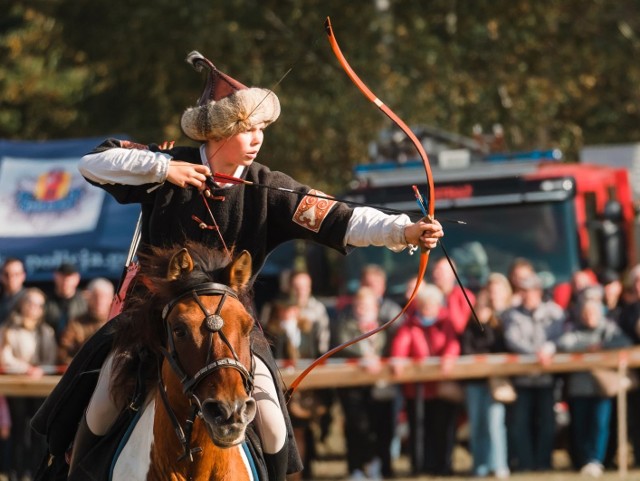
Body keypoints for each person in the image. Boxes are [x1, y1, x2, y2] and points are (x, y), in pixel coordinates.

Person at [34, 50, 444, 480]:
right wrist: (163, 169)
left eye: (261, 128)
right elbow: (93, 163)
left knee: (271, 426)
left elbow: (340, 217)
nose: (257, 138)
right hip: (151, 322)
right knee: (100, 407)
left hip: (232, 329)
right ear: (219, 130)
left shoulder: (269, 189)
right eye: (247, 128)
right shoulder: (168, 166)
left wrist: (403, 231)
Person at [556, 296, 632, 477]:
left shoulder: (608, 329)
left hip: (602, 388)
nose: (590, 316)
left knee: (600, 425)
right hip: (579, 388)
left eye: (593, 312)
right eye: (586, 313)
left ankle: (595, 460)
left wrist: (602, 346)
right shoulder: (574, 330)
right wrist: (588, 347)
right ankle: (582, 461)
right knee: (580, 426)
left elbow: (625, 343)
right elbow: (563, 344)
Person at [390, 282, 461, 476]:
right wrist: (398, 361)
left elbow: (452, 344)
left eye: (432, 304)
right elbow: (401, 345)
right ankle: (419, 467)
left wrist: (449, 358)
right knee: (419, 430)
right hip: (417, 390)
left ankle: (443, 466)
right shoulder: (410, 324)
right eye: (425, 304)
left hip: (441, 387)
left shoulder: (446, 322)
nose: (428, 308)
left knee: (443, 429)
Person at [501, 272, 565, 472]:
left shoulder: (554, 312)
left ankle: (544, 463)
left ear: (538, 291)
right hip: (523, 379)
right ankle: (526, 464)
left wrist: (549, 348)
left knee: (547, 423)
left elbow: (561, 335)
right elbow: (512, 339)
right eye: (522, 291)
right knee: (521, 424)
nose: (525, 295)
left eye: (528, 291)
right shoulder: (512, 314)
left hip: (546, 379)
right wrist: (535, 354)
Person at [332, 286, 395, 480]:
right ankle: (356, 468)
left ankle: (379, 466)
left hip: (379, 387)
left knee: (381, 428)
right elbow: (343, 345)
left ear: (375, 307)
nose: (362, 309)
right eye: (358, 305)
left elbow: (391, 348)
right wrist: (365, 358)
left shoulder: (385, 327)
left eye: (366, 305)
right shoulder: (345, 325)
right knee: (356, 427)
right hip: (352, 388)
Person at [0, 288, 57, 481]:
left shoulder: (46, 331)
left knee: (38, 431)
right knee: (18, 430)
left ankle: (34, 472)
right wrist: (26, 368)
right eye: (30, 303)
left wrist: (40, 369)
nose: (34, 308)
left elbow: (51, 359)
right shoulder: (8, 329)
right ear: (22, 305)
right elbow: (5, 357)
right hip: (16, 387)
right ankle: (15, 471)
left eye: (38, 305)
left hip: (40, 387)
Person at [460, 281, 511, 479]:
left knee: (495, 425)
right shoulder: (468, 329)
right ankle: (479, 466)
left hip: (494, 383)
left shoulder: (497, 328)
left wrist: (488, 327)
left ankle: (499, 465)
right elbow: (466, 351)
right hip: (474, 384)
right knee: (477, 425)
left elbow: (499, 349)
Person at [57, 278, 114, 364]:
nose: (99, 301)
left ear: (112, 299)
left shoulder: (118, 324)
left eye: (104, 297)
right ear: (88, 298)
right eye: (95, 296)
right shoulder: (75, 324)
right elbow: (62, 353)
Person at [44, 262, 88, 342]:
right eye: (62, 276)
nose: (66, 280)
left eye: (69, 277)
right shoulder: (46, 301)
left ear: (77, 278)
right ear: (55, 276)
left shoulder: (85, 302)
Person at [431, 257, 475, 335]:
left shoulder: (464, 296)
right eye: (434, 270)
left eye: (440, 271)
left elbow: (459, 326)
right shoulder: (426, 296)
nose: (436, 274)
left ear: (452, 273)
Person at [0, 258, 26, 323]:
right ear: (1, 276)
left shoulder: (30, 299)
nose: (11, 278)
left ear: (23, 276)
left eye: (16, 274)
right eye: (6, 274)